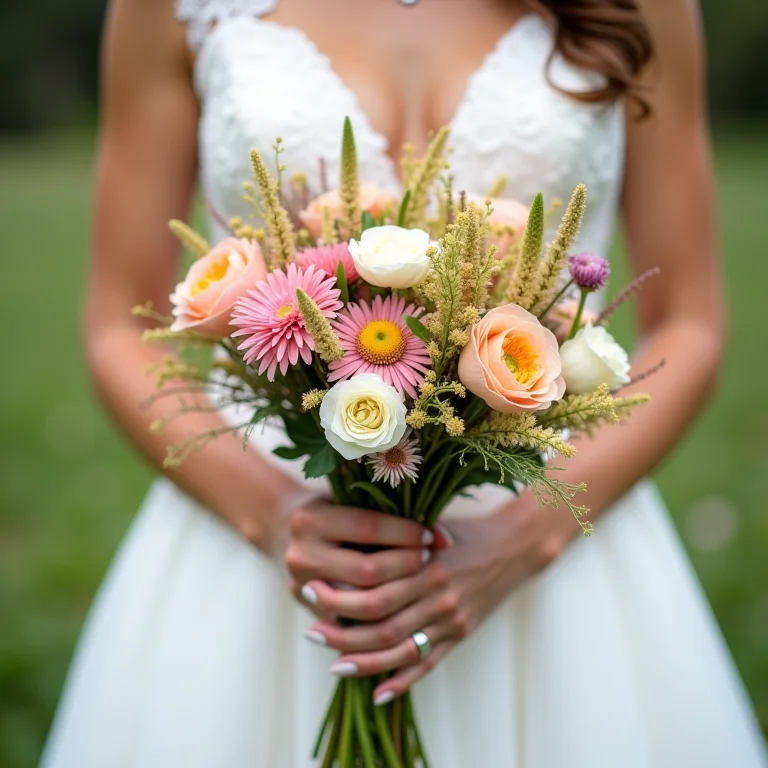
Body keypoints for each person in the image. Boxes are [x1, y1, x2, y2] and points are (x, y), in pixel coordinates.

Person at [42, 0, 768, 766]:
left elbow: (691, 321)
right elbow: (119, 325)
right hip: (256, 534)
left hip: (554, 536)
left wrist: (524, 539)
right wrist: (271, 513)